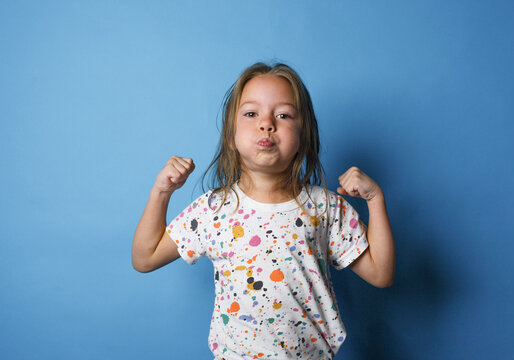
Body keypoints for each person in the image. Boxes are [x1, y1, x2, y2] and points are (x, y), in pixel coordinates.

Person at [132, 62, 395, 360]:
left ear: (303, 137)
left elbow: (380, 274)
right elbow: (145, 258)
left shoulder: (325, 207)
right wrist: (161, 193)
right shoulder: (213, 209)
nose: (266, 123)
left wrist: (375, 199)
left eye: (283, 115)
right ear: (231, 137)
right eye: (251, 113)